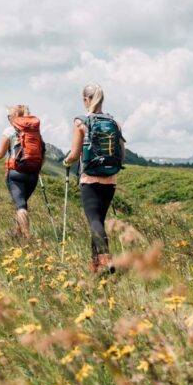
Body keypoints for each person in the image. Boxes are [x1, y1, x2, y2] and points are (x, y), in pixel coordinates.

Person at [62, 84, 125, 274]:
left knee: (94, 221)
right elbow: (121, 154)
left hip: (89, 178)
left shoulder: (81, 122)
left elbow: (74, 154)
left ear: (85, 100)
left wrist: (66, 161)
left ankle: (106, 260)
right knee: (98, 221)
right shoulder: (114, 123)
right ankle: (95, 266)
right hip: (110, 179)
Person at [0, 105, 45, 239]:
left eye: (8, 116)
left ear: (14, 116)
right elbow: (42, 152)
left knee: (21, 206)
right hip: (33, 174)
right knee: (21, 204)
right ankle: (17, 235)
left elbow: (0, 154)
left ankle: (27, 238)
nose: (8, 119)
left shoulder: (9, 131)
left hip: (16, 173)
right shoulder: (34, 132)